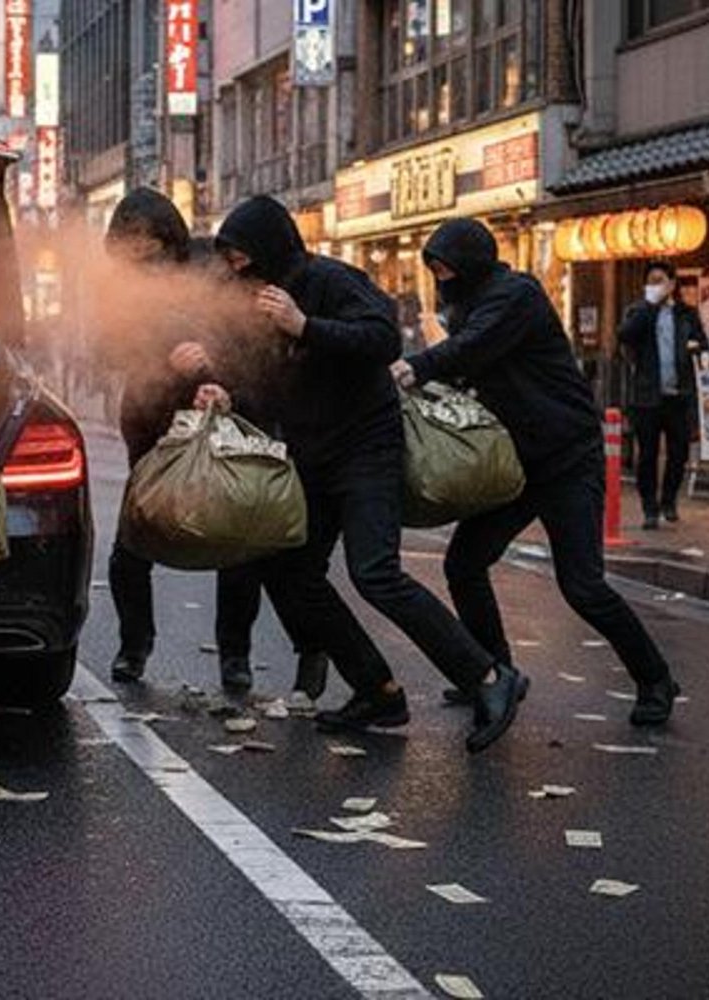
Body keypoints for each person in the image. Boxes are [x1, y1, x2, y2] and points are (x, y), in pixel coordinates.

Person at [212, 195, 526, 753]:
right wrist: (227, 390)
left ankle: (488, 676)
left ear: (267, 249)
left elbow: (381, 340)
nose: (237, 269)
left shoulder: (334, 280)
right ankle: (377, 690)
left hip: (366, 444)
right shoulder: (249, 304)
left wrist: (304, 324)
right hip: (312, 452)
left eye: (242, 257)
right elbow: (267, 379)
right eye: (230, 260)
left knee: (375, 572)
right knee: (292, 570)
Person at [393, 219, 683, 726]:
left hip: (568, 458)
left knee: (583, 585)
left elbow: (472, 349)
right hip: (519, 464)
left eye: (445, 269)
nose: (441, 279)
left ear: (471, 263)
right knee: (464, 562)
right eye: (435, 271)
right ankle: (494, 673)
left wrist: (416, 366)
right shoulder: (470, 304)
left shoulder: (514, 296)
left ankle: (655, 677)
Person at [100, 189, 329, 701]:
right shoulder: (114, 286)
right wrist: (166, 365)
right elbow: (106, 349)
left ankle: (236, 653)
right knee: (135, 535)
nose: (141, 262)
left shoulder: (216, 265)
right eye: (129, 251)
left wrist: (217, 371)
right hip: (151, 418)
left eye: (150, 249)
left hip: (228, 405)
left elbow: (253, 340)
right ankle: (134, 644)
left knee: (238, 536)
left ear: (170, 238)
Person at [617, 260, 704, 529]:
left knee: (678, 453)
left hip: (679, 394)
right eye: (650, 281)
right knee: (648, 454)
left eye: (660, 280)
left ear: (672, 284)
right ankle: (649, 508)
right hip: (647, 395)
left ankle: (669, 500)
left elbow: (703, 342)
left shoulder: (686, 314)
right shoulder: (638, 311)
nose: (655, 285)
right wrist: (649, 306)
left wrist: (694, 348)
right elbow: (625, 335)